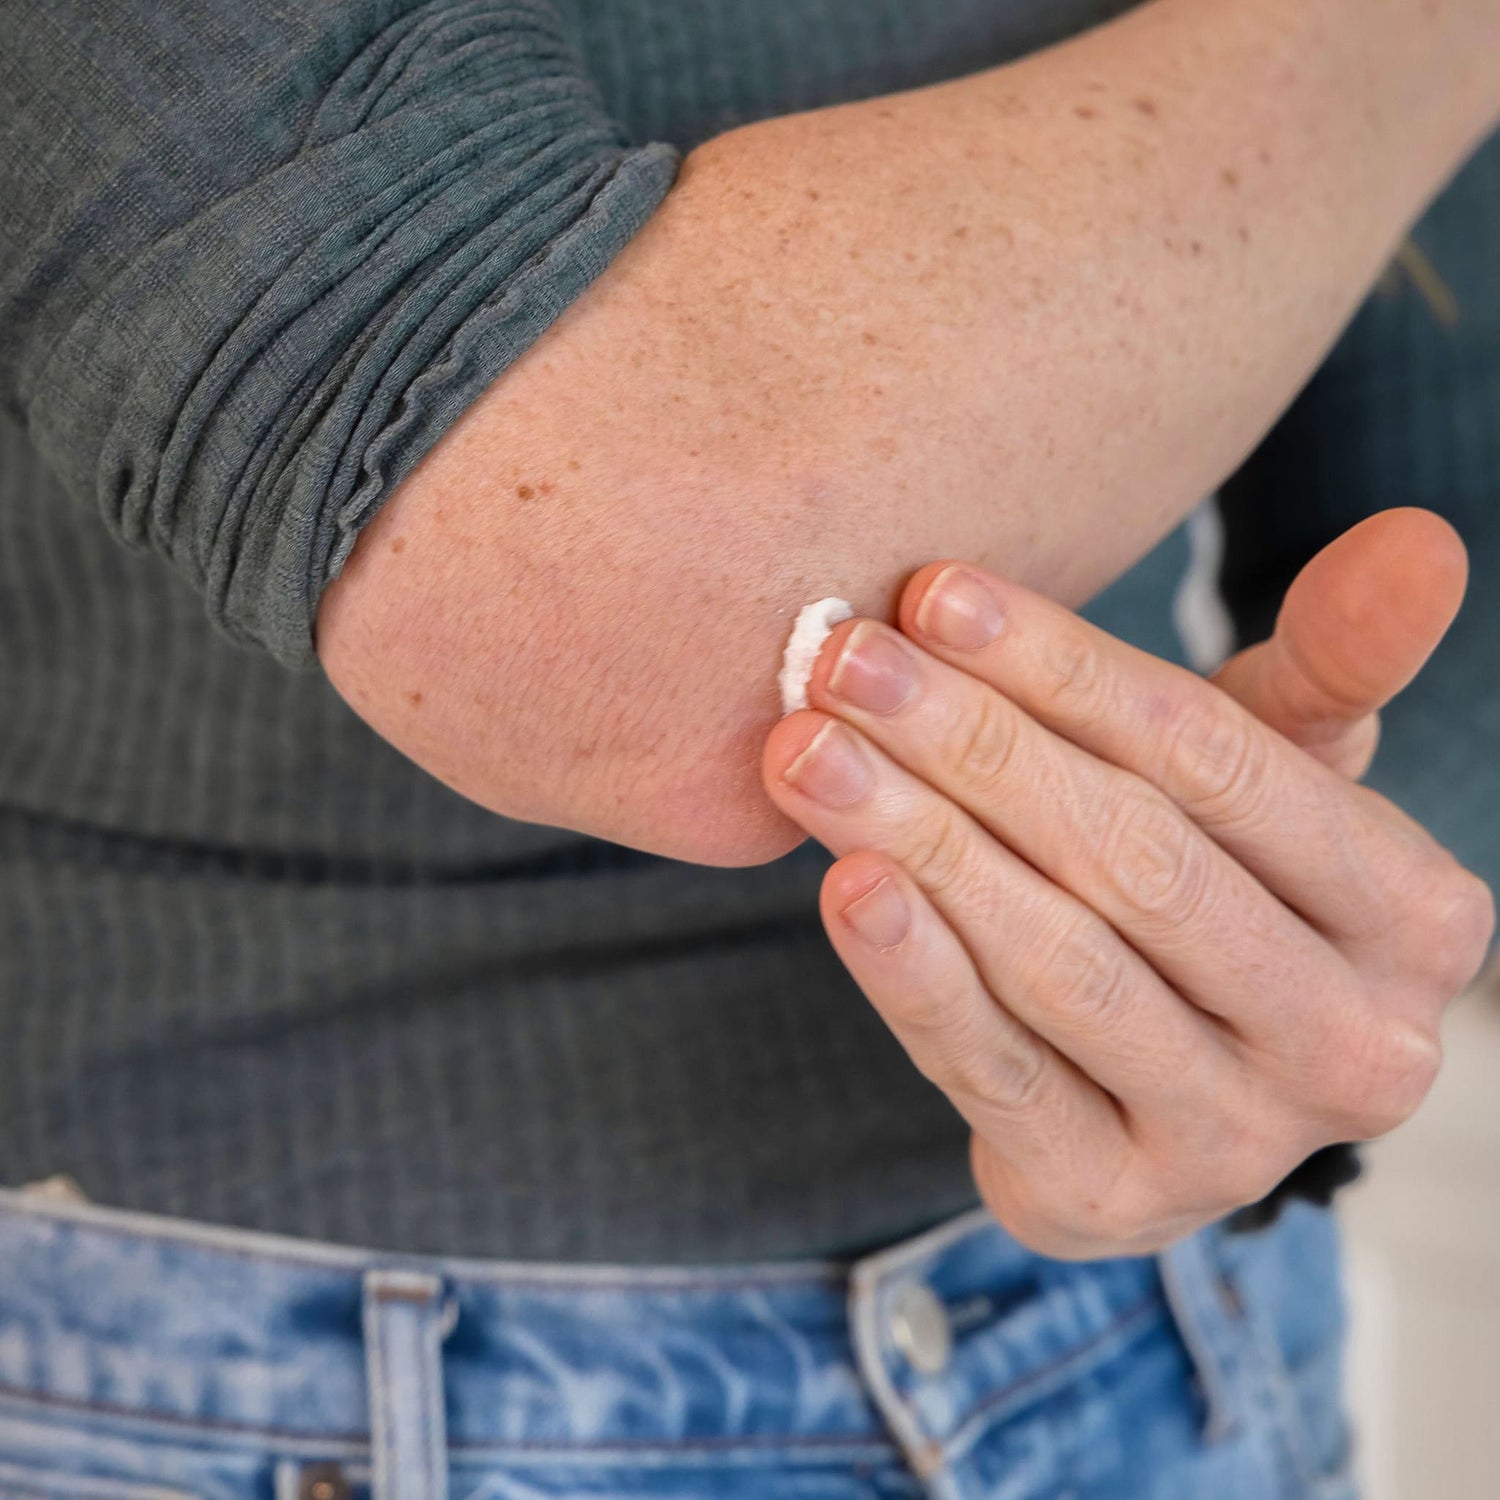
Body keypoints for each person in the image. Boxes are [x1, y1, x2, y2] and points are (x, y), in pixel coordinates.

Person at [1, 0, 1496, 1496]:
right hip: (281, 1378)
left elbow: (1447, 501)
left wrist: (1269, 965)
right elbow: (611, 574)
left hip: (1177, 1344)